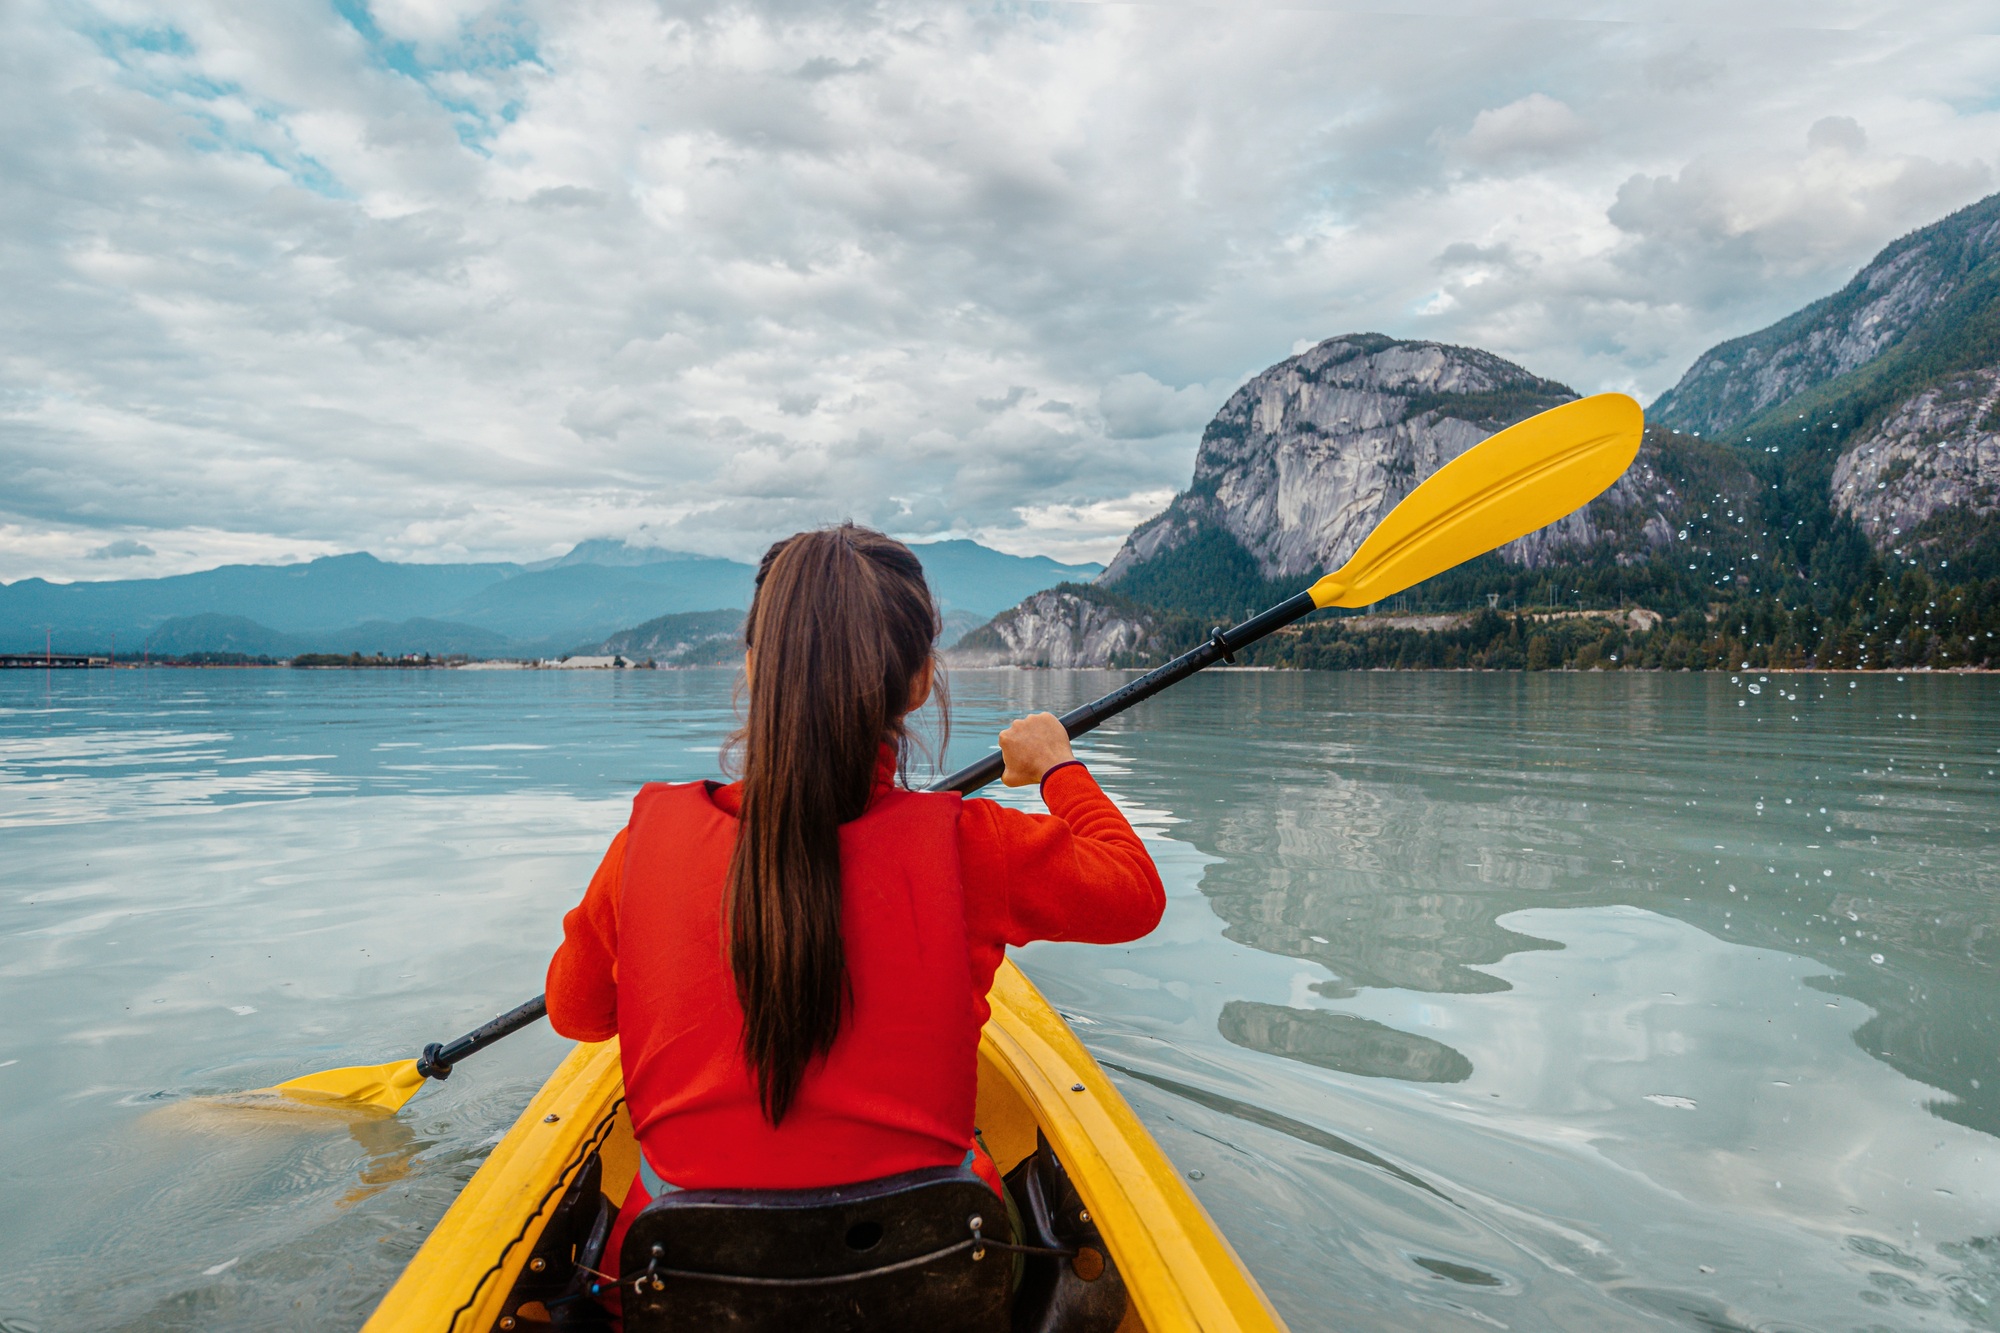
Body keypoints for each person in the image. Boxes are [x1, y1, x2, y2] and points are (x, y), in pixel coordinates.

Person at [545, 523, 1165, 1281]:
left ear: (751, 669)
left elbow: (576, 1013)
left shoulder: (645, 841)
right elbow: (1134, 892)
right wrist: (1056, 768)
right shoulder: (975, 847)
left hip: (684, 1290)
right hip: (924, 1287)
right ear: (918, 683)